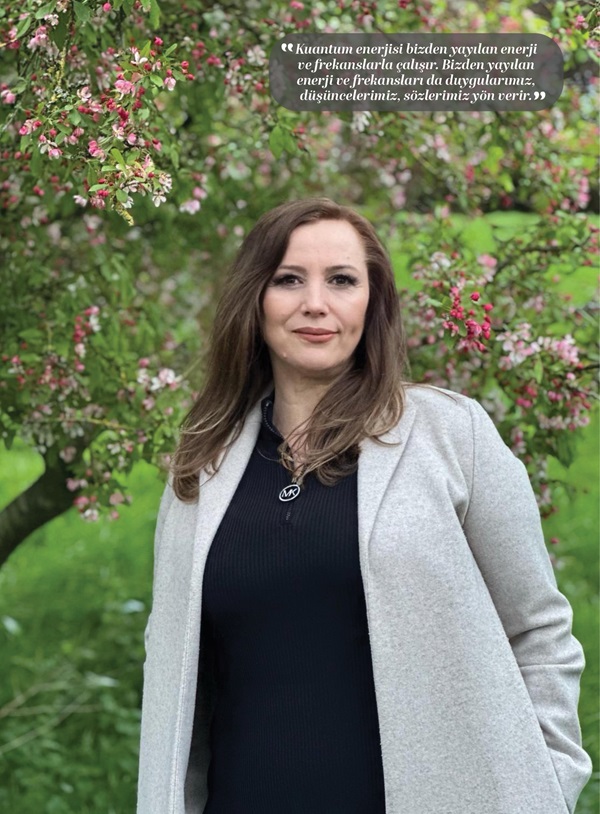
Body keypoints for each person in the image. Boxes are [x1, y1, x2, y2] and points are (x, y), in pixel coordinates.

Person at [137, 198, 591, 814]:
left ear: (372, 302)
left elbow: (538, 629)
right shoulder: (203, 462)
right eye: (288, 279)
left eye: (342, 280)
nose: (315, 303)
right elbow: (173, 660)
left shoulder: (451, 435)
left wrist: (548, 785)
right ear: (255, 299)